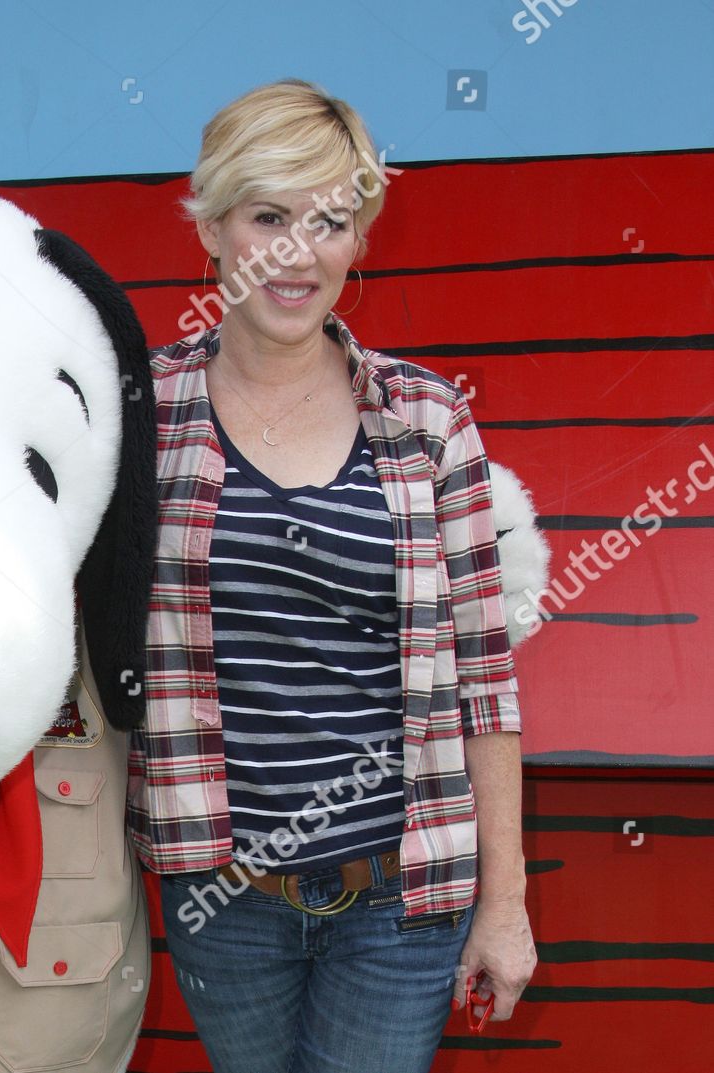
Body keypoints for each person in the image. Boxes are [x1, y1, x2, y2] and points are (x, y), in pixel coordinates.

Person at [130, 78, 538, 1073]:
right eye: (269, 214)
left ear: (360, 241)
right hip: (223, 895)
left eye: (330, 221)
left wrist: (507, 901)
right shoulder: (136, 413)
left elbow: (486, 678)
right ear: (214, 224)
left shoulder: (429, 419)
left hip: (403, 894)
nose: (296, 251)